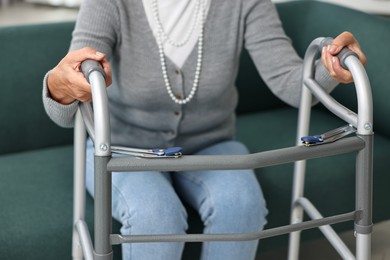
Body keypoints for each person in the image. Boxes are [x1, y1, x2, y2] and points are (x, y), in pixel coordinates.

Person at [42, 0, 366, 259]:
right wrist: (59, 86)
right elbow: (70, 95)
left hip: (212, 142)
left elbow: (291, 84)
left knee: (242, 206)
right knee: (156, 217)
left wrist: (330, 69)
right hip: (124, 146)